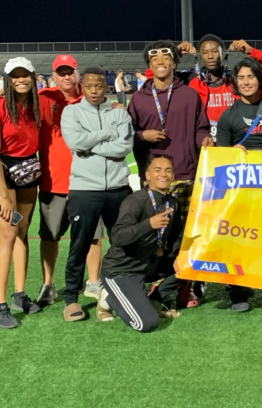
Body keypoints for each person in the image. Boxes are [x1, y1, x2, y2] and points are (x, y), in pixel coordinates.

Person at [128, 40, 210, 309]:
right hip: (154, 180)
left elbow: (201, 127)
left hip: (186, 173)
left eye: (166, 58)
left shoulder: (189, 95)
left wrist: (204, 139)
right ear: (148, 65)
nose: (160, 63)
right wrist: (143, 135)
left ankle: (183, 287)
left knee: (184, 238)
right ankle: (145, 284)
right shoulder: (139, 99)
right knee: (153, 236)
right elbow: (127, 136)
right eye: (154, 59)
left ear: (175, 63)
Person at [60, 67, 134, 322]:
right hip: (84, 189)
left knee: (123, 243)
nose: (94, 91)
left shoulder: (118, 112)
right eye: (89, 86)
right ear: (83, 87)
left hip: (118, 188)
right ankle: (71, 299)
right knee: (79, 245)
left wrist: (90, 147)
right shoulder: (71, 112)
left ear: (106, 87)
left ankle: (124, 292)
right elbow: (75, 143)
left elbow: (125, 147)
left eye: (99, 86)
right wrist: (105, 135)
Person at [216, 57, 262, 312]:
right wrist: (232, 152)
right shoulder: (229, 115)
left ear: (260, 78)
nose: (246, 82)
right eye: (241, 78)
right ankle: (238, 289)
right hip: (244, 188)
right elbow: (221, 159)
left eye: (251, 77)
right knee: (240, 239)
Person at [0, 57, 50, 328]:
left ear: (34, 77)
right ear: (7, 79)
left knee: (23, 232)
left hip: (28, 171)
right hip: (2, 169)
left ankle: (19, 295)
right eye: (15, 76)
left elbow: (71, 91)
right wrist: (5, 195)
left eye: (26, 75)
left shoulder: (39, 102)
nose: (21, 79)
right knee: (8, 235)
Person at [35, 55, 106, 306]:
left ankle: (93, 282)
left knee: (94, 235)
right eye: (61, 72)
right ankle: (48, 284)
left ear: (77, 74)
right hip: (53, 180)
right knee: (50, 235)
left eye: (70, 72)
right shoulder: (44, 98)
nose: (66, 76)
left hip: (88, 181)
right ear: (53, 76)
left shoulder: (91, 97)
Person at [96, 154, 184, 332]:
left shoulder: (172, 203)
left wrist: (178, 257)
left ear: (173, 175)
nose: (163, 175)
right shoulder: (135, 201)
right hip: (122, 270)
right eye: (157, 170)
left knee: (190, 264)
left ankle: (154, 300)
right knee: (146, 324)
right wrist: (148, 224)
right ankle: (109, 297)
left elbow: (177, 237)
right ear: (148, 175)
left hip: (148, 264)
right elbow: (118, 236)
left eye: (168, 171)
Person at [185, 35, 262, 145]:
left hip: (238, 144)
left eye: (215, 51)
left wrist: (251, 51)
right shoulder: (194, 84)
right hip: (207, 144)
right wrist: (176, 54)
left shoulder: (239, 82)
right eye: (205, 52)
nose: (210, 56)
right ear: (200, 56)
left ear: (223, 53)